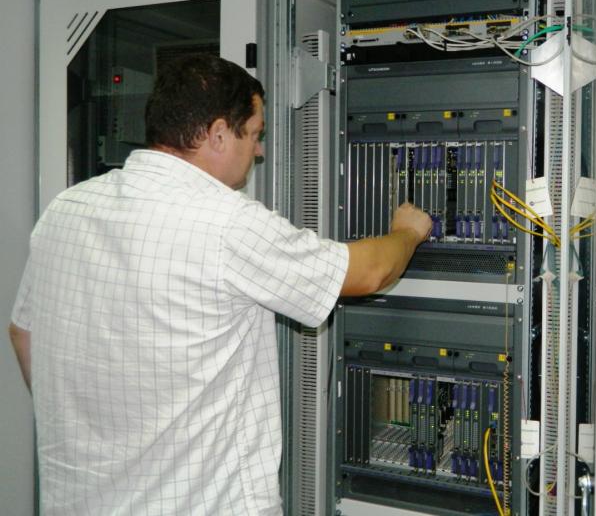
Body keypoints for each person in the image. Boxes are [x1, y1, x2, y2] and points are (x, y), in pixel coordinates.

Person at [8, 54, 431, 515]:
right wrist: (407, 232)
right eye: (255, 134)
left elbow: (23, 332)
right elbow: (369, 272)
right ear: (218, 134)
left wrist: (90, 424)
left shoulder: (67, 208)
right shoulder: (226, 222)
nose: (260, 150)